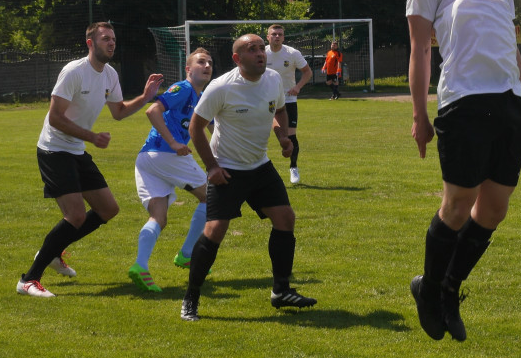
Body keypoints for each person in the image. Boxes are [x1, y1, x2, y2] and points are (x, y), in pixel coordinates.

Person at [406, 0, 521, 342]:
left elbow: (510, 44)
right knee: (457, 204)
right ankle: (430, 290)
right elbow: (420, 51)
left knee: (494, 209)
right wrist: (420, 115)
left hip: (506, 101)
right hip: (463, 100)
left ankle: (449, 287)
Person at [17, 22, 164, 298]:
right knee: (75, 215)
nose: (111, 43)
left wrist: (145, 97)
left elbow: (118, 111)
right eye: (105, 39)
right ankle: (28, 279)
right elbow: (55, 117)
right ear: (90, 43)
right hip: (54, 149)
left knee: (108, 209)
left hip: (76, 150)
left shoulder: (110, 74)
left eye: (113, 40)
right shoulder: (74, 72)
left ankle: (53, 252)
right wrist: (91, 136)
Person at [180, 33, 317, 321]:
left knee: (285, 219)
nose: (259, 53)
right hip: (228, 169)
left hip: (260, 166)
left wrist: (283, 136)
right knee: (214, 231)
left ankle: (281, 291)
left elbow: (279, 109)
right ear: (236, 58)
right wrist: (212, 168)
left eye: (260, 48)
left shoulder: (273, 79)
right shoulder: (221, 87)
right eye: (251, 49)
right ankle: (191, 297)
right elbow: (196, 128)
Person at [128, 47, 214, 292]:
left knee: (158, 217)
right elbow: (152, 110)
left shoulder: (199, 98)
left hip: (147, 159)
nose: (207, 66)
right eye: (201, 62)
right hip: (164, 154)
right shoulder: (184, 88)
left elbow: (212, 128)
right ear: (188, 69)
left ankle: (140, 266)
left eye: (210, 63)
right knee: (211, 197)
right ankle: (187, 253)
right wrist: (175, 143)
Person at [265, 24, 312, 185]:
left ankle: (293, 167)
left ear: (283, 37)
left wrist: (298, 87)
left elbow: (308, 72)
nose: (277, 36)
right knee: (258, 135)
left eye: (280, 34)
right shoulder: (262, 53)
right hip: (264, 100)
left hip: (288, 100)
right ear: (268, 37)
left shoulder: (292, 53)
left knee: (290, 136)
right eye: (274, 34)